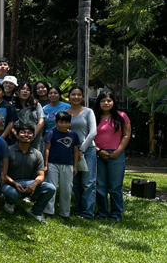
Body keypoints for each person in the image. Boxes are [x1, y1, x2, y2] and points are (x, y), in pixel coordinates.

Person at [1, 124, 56, 223]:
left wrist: (34, 184)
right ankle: (9, 202)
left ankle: (36, 212)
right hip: (8, 182)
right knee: (12, 194)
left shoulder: (37, 154)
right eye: (22, 132)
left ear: (33, 136)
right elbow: (2, 173)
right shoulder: (8, 150)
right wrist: (14, 183)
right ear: (17, 135)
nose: (26, 135)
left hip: (27, 183)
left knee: (50, 188)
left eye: (29, 133)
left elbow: (41, 175)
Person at [93, 91, 131, 220]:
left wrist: (118, 151)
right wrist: (98, 151)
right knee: (100, 186)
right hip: (98, 155)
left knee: (115, 186)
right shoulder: (93, 116)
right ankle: (102, 212)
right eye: (103, 101)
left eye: (109, 100)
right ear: (99, 102)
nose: (106, 103)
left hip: (116, 155)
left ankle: (116, 214)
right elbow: (88, 135)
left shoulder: (122, 116)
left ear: (113, 102)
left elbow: (126, 134)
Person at [66, 86, 98, 219]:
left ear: (83, 97)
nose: (76, 97)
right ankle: (78, 209)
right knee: (76, 182)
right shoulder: (65, 112)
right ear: (69, 96)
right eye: (73, 94)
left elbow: (93, 132)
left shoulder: (88, 111)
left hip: (87, 150)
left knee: (88, 182)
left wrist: (81, 149)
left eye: (79, 95)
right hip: (70, 151)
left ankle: (88, 212)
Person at [43, 111, 80, 220]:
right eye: (61, 122)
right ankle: (49, 211)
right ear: (56, 122)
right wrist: (45, 165)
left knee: (67, 190)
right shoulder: (51, 133)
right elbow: (47, 149)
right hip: (52, 164)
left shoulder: (73, 134)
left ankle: (65, 213)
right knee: (51, 188)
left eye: (66, 122)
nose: (63, 124)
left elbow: (76, 151)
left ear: (70, 123)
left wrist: (75, 166)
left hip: (68, 165)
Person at [10, 82, 45, 153]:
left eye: (28, 89)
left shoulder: (36, 104)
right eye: (22, 89)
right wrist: (17, 136)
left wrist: (32, 135)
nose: (25, 91)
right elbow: (9, 123)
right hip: (16, 138)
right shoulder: (11, 105)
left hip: (35, 140)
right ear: (17, 91)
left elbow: (41, 122)